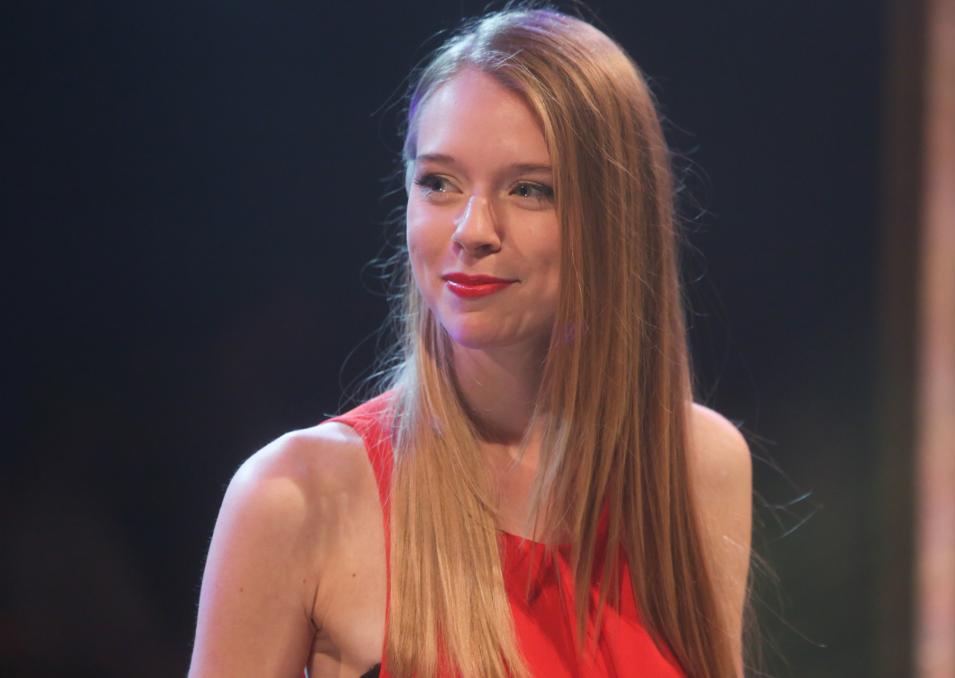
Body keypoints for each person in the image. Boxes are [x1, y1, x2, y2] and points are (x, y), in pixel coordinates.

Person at [189, 7, 752, 678]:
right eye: (439, 183)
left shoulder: (697, 467)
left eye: (529, 189)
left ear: (618, 220)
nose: (473, 229)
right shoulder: (293, 497)